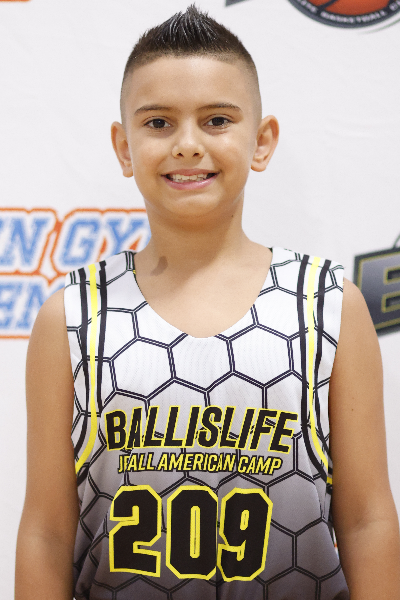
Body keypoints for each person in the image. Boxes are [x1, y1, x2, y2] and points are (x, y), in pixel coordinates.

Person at [15, 5, 400, 600]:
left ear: (261, 141)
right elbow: (44, 532)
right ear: (124, 147)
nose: (188, 145)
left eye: (217, 120)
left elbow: (367, 519)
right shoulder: (72, 316)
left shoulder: (328, 305)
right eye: (159, 123)